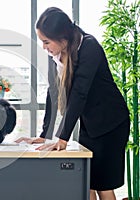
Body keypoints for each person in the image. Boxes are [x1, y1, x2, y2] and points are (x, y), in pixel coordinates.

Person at [15, 7, 130, 200]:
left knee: (103, 185)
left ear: (62, 38)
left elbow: (79, 94)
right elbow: (53, 93)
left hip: (111, 124)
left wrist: (63, 137)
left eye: (46, 41)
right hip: (91, 126)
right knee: (87, 184)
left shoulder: (89, 47)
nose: (44, 47)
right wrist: (45, 134)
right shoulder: (58, 55)